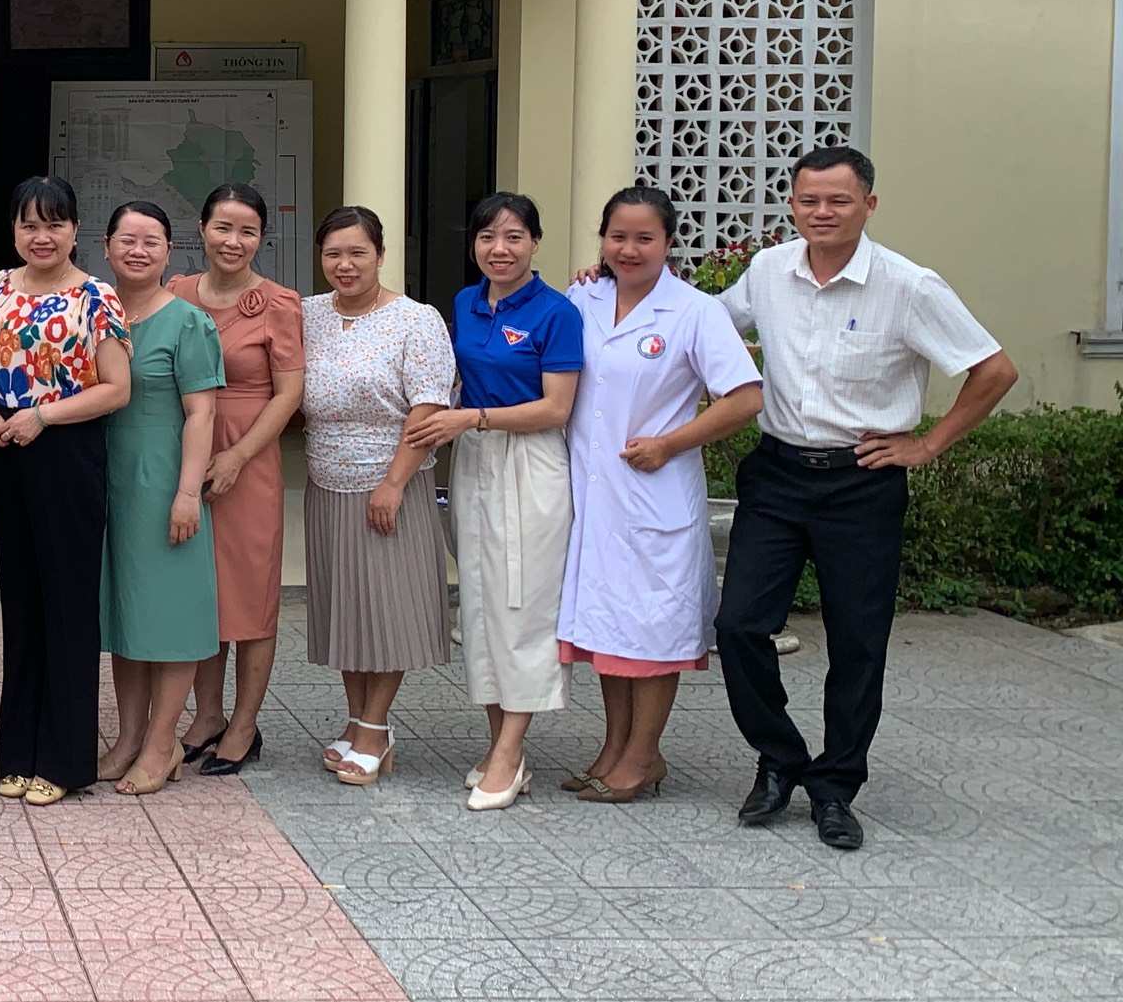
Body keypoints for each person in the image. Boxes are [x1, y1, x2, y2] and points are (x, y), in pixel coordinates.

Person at [716, 147, 1014, 851]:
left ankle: (836, 786)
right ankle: (780, 759)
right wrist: (611, 283)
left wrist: (928, 443)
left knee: (857, 642)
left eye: (839, 201)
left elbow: (994, 369)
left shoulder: (910, 286)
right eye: (809, 200)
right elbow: (702, 325)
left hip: (861, 483)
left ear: (869, 206)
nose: (821, 212)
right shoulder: (768, 271)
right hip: (778, 474)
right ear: (792, 204)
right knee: (737, 624)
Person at [559, 186, 763, 803]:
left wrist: (669, 443)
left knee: (652, 631)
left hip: (655, 492)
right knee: (610, 629)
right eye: (617, 236)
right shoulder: (583, 298)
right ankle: (613, 748)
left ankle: (643, 755)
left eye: (644, 238)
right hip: (594, 496)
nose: (629, 249)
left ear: (669, 242)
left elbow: (745, 399)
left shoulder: (695, 312)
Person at [405, 192, 581, 811]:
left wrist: (472, 418)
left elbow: (557, 408)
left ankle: (510, 749)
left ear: (535, 243)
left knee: (523, 602)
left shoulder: (557, 312)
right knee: (480, 603)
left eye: (513, 237)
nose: (499, 250)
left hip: (530, 462)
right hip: (475, 457)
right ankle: (500, 743)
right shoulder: (465, 302)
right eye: (487, 237)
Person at [0, 176, 131, 803]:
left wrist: (43, 415)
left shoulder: (96, 296)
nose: (42, 236)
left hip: (67, 451)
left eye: (55, 224)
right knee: (22, 601)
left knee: (68, 605)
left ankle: (65, 760)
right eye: (30, 224)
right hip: (7, 451)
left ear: (74, 229)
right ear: (14, 229)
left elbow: (116, 388)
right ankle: (17, 750)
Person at [299, 206, 455, 788]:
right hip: (325, 481)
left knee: (386, 608)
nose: (345, 265)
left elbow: (429, 406)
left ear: (381, 256)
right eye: (333, 254)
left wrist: (393, 482)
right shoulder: (308, 313)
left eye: (357, 253)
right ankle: (357, 719)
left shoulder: (416, 320)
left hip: (390, 483)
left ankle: (375, 727)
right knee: (345, 607)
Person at [167, 183, 304, 777]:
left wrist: (238, 456)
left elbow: (289, 393)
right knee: (200, 590)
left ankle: (244, 724)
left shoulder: (279, 303)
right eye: (223, 227)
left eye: (247, 231)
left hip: (248, 458)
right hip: (183, 452)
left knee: (250, 594)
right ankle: (207, 716)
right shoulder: (175, 292)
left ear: (260, 239)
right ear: (201, 229)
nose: (234, 240)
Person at [96, 202, 226, 796]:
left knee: (170, 614)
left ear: (170, 252)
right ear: (106, 247)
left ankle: (161, 741)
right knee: (126, 612)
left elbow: (202, 413)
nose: (138, 250)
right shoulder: (94, 312)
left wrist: (187, 492)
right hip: (107, 475)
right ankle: (128, 738)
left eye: (151, 241)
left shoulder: (188, 322)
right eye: (127, 239)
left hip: (164, 476)